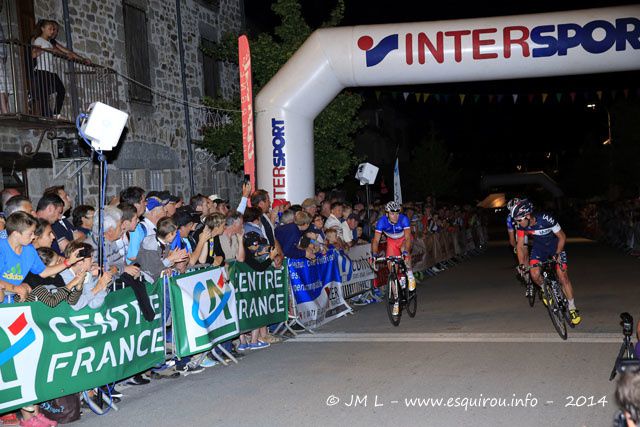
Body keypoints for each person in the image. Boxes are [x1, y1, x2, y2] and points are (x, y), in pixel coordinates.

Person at [511, 199, 581, 325]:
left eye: (519, 220)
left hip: (555, 246)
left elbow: (562, 236)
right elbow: (520, 246)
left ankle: (572, 308)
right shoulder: (521, 227)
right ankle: (544, 288)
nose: (517, 223)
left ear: (527, 215)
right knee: (534, 274)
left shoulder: (546, 219)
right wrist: (521, 264)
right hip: (539, 249)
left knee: (563, 277)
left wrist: (558, 253)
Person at [0, 212, 82, 303]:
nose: (34, 237)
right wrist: (15, 288)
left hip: (12, 297)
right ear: (16, 234)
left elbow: (44, 272)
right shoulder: (1, 248)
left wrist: (69, 262)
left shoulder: (29, 250)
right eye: (30, 234)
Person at [370, 201, 416, 316]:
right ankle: (396, 302)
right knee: (392, 269)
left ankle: (410, 276)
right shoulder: (381, 222)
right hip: (391, 242)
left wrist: (405, 252)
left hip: (404, 240)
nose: (395, 216)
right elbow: (375, 240)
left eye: (397, 213)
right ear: (387, 214)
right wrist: (374, 255)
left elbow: (408, 238)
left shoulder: (404, 219)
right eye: (392, 214)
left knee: (404, 253)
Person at [31, 20, 66, 118]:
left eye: (53, 29)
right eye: (50, 29)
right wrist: (47, 49)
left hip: (51, 71)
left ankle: (55, 113)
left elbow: (57, 51)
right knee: (44, 94)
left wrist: (67, 55)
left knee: (61, 90)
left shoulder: (49, 42)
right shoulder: (38, 40)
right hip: (42, 70)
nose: (52, 31)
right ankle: (47, 115)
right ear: (43, 29)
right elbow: (33, 54)